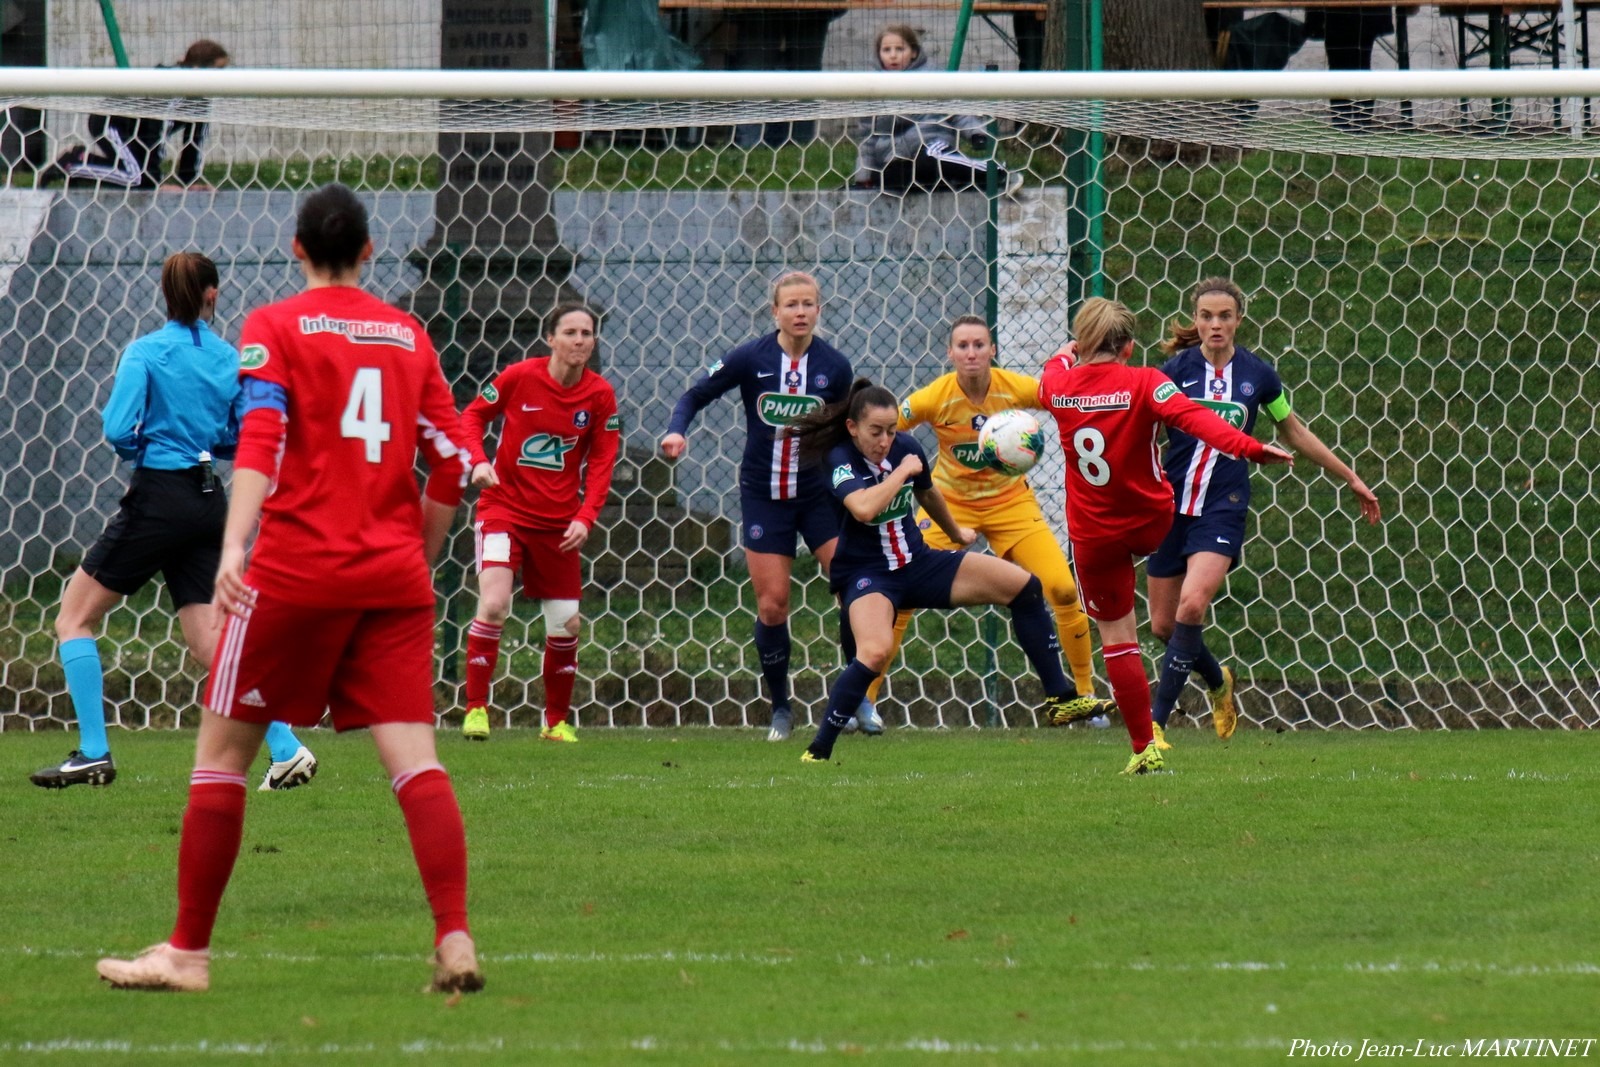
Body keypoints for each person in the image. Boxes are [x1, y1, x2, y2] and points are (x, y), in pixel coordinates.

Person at [96, 184, 482, 994]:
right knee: (417, 762)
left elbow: (262, 440)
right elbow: (452, 455)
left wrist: (235, 544)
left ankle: (188, 953)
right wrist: (421, 548)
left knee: (222, 755)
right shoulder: (409, 334)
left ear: (295, 248)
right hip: (393, 579)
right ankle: (453, 936)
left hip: (297, 571)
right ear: (370, 251)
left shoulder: (273, 325)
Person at [29, 251, 316, 793]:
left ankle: (93, 753)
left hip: (159, 496)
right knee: (212, 645)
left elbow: (116, 428)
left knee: (73, 617)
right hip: (209, 502)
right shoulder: (230, 359)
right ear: (212, 294)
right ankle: (285, 747)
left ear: (166, 294)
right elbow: (237, 435)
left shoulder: (146, 351)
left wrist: (147, 444)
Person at [1039, 297, 1294, 775]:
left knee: (1117, 638)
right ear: (1130, 347)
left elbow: (1052, 367)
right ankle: (1199, 692)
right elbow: (1197, 420)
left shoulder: (1058, 386)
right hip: (1153, 519)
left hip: (1094, 532)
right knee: (1167, 617)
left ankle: (1143, 748)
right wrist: (1250, 447)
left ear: (1085, 342)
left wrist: (1067, 352)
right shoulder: (1146, 382)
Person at [789, 380, 1098, 762]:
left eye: (890, 431)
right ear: (853, 428)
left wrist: (955, 532)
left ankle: (1060, 699)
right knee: (874, 652)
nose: (885, 440)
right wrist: (901, 472)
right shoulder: (840, 459)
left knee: (1024, 587)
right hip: (868, 576)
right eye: (875, 432)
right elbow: (864, 509)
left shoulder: (905, 447)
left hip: (918, 564)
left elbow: (928, 492)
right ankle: (819, 748)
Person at [1145, 278, 1381, 748]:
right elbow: (1147, 435)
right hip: (1172, 504)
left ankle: (1154, 727)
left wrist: (1349, 475)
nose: (1215, 324)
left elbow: (1293, 430)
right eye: (1207, 316)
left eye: (1224, 316)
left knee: (1194, 604)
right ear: (1196, 320)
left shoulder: (1259, 376)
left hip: (1223, 506)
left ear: (1238, 321)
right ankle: (1218, 681)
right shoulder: (1171, 372)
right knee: (1165, 626)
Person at [860, 315, 1114, 727]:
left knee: (1064, 590)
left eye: (979, 344)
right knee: (900, 596)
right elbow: (884, 429)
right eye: (963, 345)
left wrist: (1069, 362)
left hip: (1011, 505)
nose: (972, 352)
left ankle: (1084, 696)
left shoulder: (1014, 388)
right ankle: (864, 702)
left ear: (992, 351)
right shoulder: (934, 397)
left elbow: (1060, 396)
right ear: (950, 353)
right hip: (949, 506)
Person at [660, 271, 864, 742]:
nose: (799, 312)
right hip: (764, 496)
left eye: (808, 304)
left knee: (856, 588)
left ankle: (857, 698)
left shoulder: (835, 367)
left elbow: (842, 432)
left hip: (817, 497)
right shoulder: (750, 358)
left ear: (819, 310)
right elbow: (695, 393)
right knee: (773, 607)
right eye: (790, 304)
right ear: (774, 311)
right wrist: (677, 429)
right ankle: (781, 709)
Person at [458, 305, 619, 743]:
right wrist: (477, 462)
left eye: (587, 333)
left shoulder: (600, 396)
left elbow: (604, 460)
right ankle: (475, 710)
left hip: (559, 523)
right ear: (551, 338)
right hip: (503, 510)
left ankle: (556, 722)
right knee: (493, 604)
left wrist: (586, 517)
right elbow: (471, 416)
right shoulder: (518, 377)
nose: (580, 340)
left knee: (567, 623)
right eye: (570, 332)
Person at [37, 39, 229, 191]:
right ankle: (73, 163)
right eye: (219, 69)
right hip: (111, 122)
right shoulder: (171, 83)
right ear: (198, 68)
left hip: (138, 134)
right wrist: (157, 181)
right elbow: (156, 132)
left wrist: (189, 182)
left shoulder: (202, 98)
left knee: (140, 179)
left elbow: (193, 141)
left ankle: (83, 169)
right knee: (139, 180)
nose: (222, 75)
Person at [851, 24, 1019, 196]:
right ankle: (959, 182)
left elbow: (957, 109)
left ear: (914, 53)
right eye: (886, 50)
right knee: (888, 179)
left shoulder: (931, 77)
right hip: (895, 157)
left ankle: (996, 172)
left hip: (929, 143)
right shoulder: (872, 88)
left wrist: (976, 133)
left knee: (930, 160)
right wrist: (864, 175)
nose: (893, 55)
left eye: (899, 49)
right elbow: (868, 137)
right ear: (879, 54)